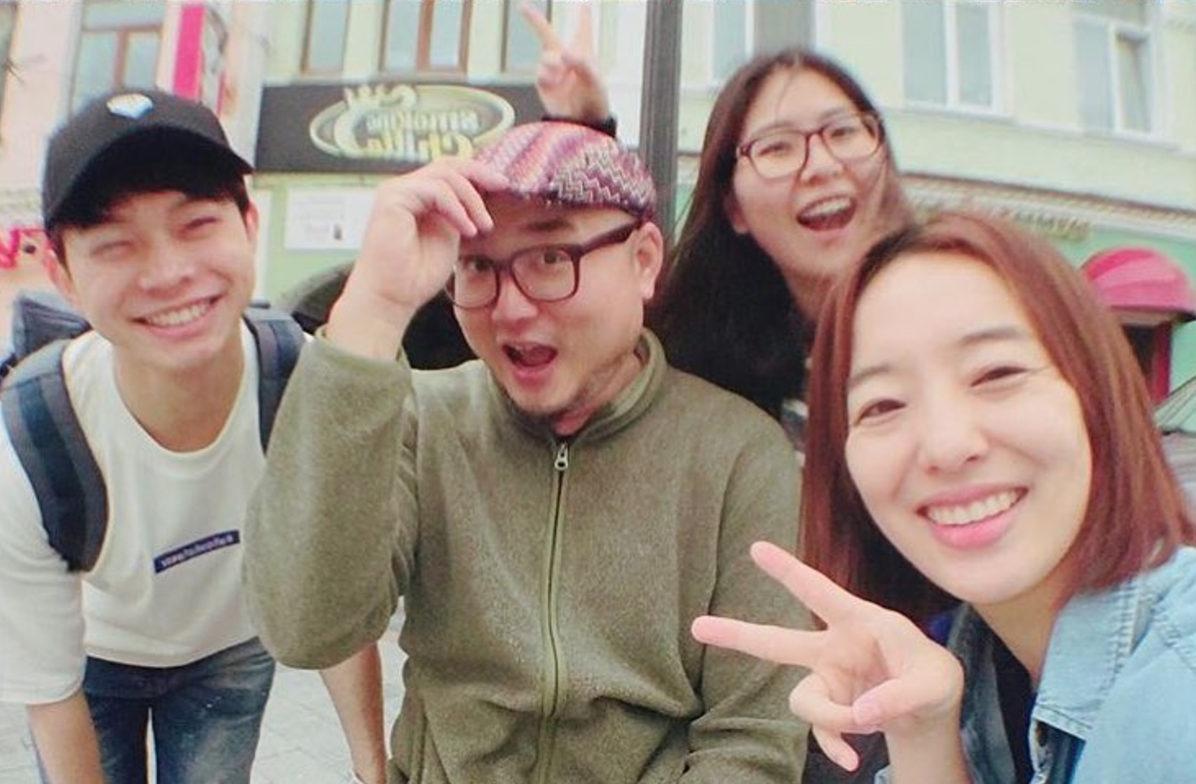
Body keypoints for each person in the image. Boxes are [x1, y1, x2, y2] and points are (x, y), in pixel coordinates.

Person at [243, 120, 808, 783]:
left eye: (550, 259)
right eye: (478, 267)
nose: (509, 309)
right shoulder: (425, 420)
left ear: (643, 260)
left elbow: (753, 741)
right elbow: (305, 627)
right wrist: (372, 311)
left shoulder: (739, 456)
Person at [692, 211, 1196, 783]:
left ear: (1096, 395)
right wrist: (922, 734)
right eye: (884, 404)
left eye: (996, 374)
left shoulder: (1178, 687)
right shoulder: (973, 664)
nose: (947, 445)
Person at [0, 89, 386, 784]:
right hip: (91, 662)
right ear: (63, 277)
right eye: (115, 244)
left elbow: (332, 585)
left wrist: (373, 769)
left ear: (249, 225)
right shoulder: (32, 439)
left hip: (231, 650)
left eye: (197, 223)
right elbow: (50, 697)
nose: (169, 273)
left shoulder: (301, 381)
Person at [523, 5, 910, 441]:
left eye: (843, 132)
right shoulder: (710, 387)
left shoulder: (954, 312)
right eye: (777, 147)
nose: (821, 166)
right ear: (734, 208)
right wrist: (582, 132)